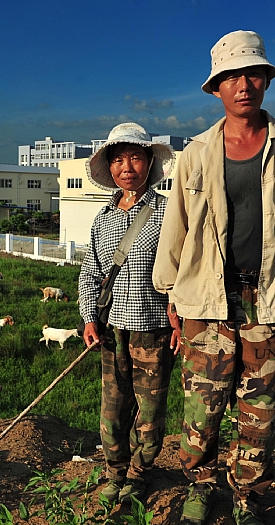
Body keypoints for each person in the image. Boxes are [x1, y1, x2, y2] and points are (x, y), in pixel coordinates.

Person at [152, 30, 275, 525]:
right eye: (231, 77)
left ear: (265, 81)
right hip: (205, 301)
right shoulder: (195, 154)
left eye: (253, 74)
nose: (244, 84)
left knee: (259, 411)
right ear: (216, 88)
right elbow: (176, 227)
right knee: (203, 406)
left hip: (269, 301)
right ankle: (200, 486)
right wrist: (170, 293)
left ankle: (247, 499)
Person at [78, 122, 179, 505]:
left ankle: (139, 474)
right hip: (112, 331)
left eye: (135, 157)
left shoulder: (168, 212)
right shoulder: (102, 218)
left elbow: (184, 268)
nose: (126, 167)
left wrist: (179, 316)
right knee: (112, 412)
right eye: (118, 159)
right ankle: (114, 474)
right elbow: (91, 272)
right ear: (109, 167)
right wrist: (89, 317)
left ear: (149, 163)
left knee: (150, 415)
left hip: (154, 331)